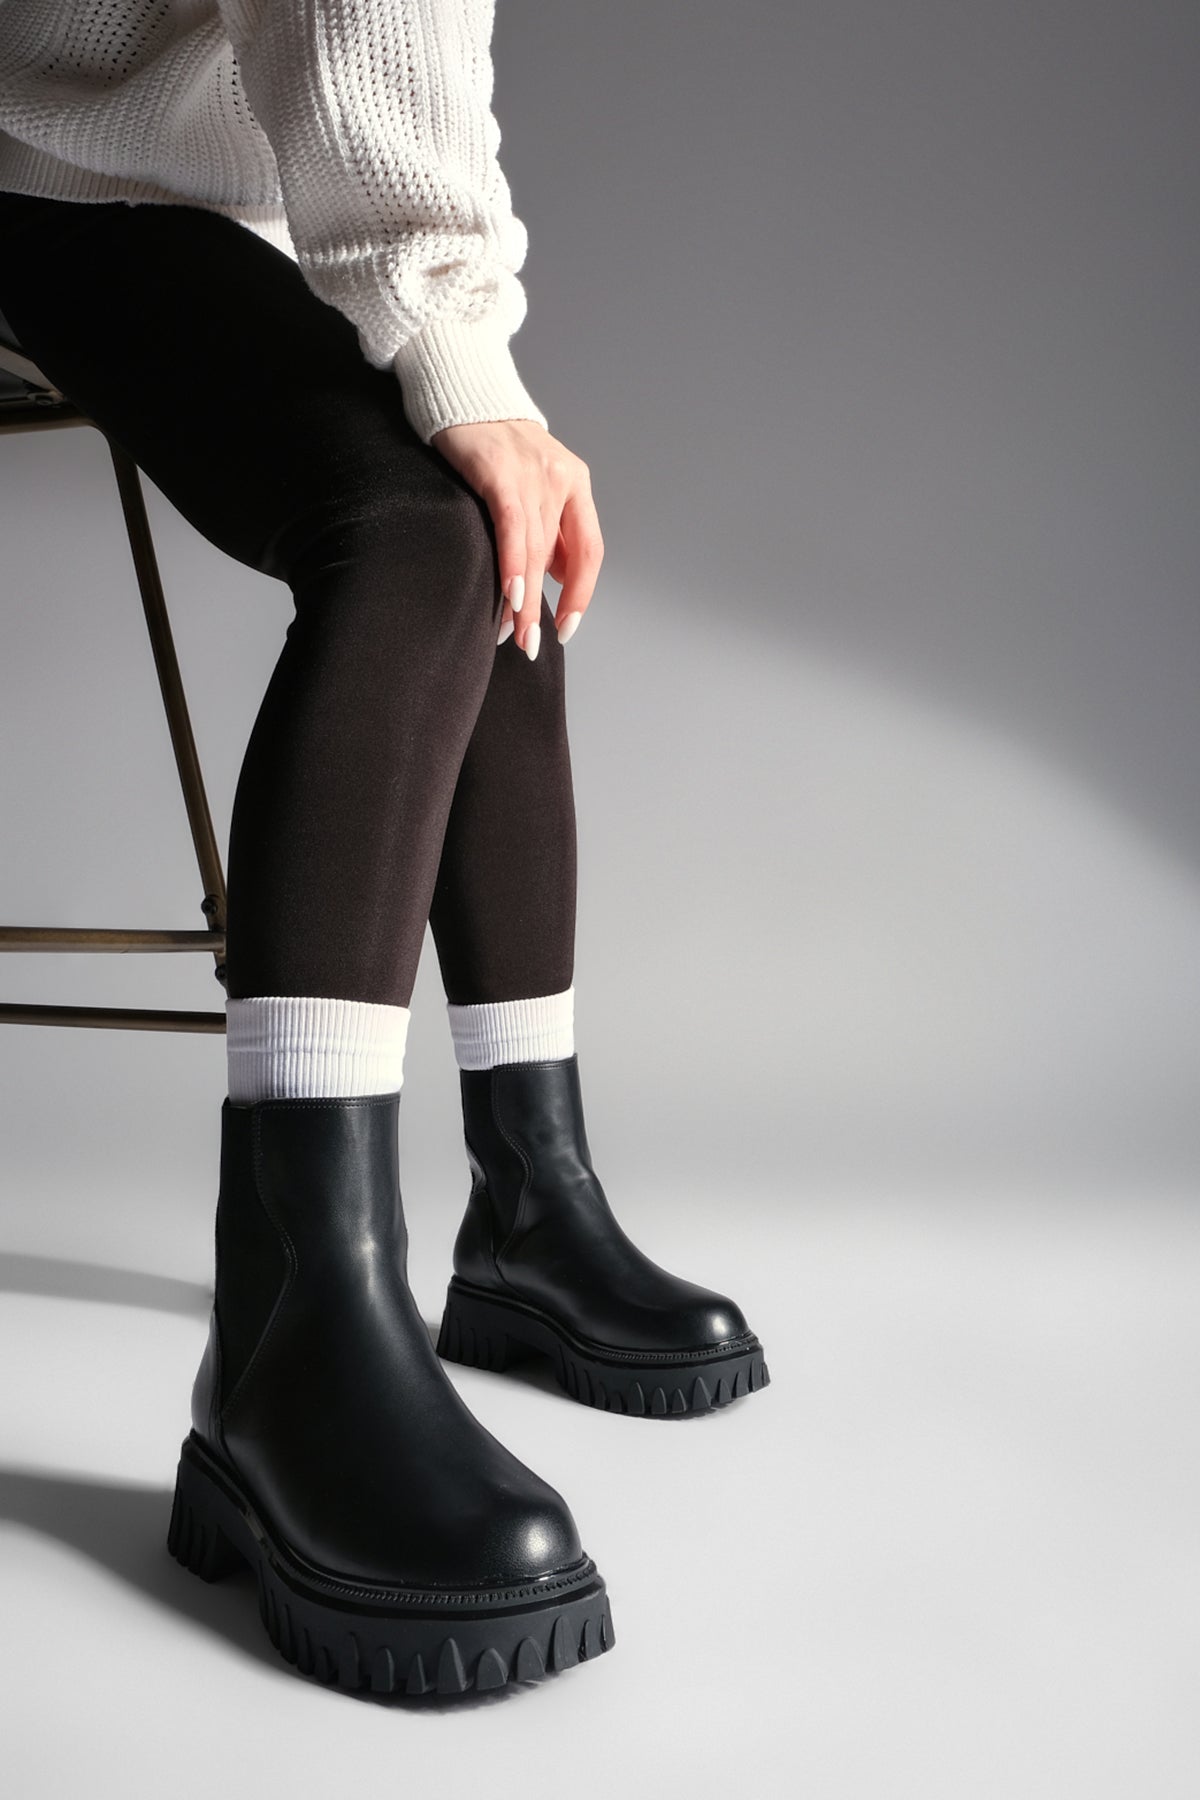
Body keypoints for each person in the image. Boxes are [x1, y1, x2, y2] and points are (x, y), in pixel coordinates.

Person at [0, 1, 768, 1698]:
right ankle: (294, 1325)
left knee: (493, 526)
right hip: (43, 171)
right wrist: (452, 346)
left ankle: (530, 1198)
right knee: (426, 530)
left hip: (194, 194)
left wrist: (455, 363)